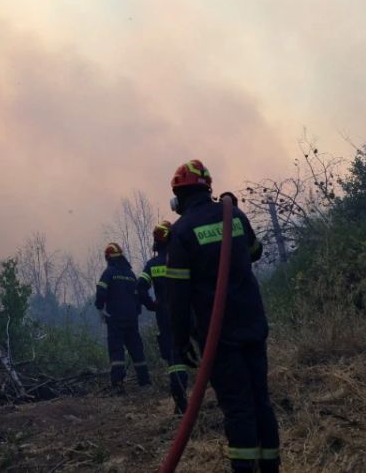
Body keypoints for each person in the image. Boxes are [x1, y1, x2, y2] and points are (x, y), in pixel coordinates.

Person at [165, 160, 281, 472]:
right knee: (261, 402)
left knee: (238, 408)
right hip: (253, 326)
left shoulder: (182, 232)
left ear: (179, 197)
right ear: (208, 189)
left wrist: (180, 339)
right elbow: (255, 252)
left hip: (220, 338)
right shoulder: (235, 215)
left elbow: (177, 296)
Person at [139, 220, 190, 414]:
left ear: (156, 243)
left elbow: (140, 288)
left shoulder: (152, 265)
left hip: (166, 316)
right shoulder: (183, 257)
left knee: (174, 359)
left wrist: (152, 305)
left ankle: (181, 404)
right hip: (190, 311)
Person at [94, 242, 151, 392]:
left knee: (116, 350)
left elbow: (101, 291)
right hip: (131, 318)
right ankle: (145, 382)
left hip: (115, 318)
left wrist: (100, 308)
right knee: (136, 348)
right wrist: (136, 311)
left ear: (108, 257)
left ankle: (118, 384)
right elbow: (138, 295)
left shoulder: (109, 272)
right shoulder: (131, 275)